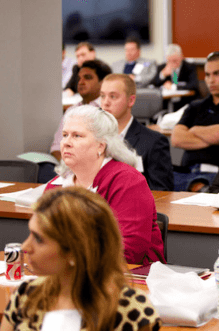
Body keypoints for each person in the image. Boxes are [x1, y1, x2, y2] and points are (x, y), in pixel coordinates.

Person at [0, 187, 161, 331]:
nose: (25, 247)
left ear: (75, 251)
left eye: (39, 239)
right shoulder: (27, 295)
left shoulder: (129, 310)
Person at [45, 105, 164, 264]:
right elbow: (41, 240)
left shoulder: (128, 181)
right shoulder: (55, 186)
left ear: (101, 146)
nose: (66, 142)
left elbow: (128, 252)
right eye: (65, 135)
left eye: (77, 136)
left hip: (130, 279)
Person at [171, 51, 219, 191]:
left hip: (218, 175)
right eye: (207, 75)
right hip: (184, 172)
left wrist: (194, 130)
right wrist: (215, 135)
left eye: (217, 74)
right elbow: (176, 139)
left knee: (203, 189)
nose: (211, 80)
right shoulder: (195, 106)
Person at [100, 74, 174, 191]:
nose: (105, 103)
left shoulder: (154, 142)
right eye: (102, 96)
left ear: (131, 100)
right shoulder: (95, 138)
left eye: (113, 97)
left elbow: (162, 193)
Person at [51, 59, 113, 161]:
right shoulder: (71, 110)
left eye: (87, 78)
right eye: (79, 78)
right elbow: (56, 147)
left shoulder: (108, 110)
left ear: (103, 83)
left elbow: (110, 151)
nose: (81, 82)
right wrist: (67, 167)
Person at [151, 43, 200, 109]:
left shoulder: (190, 67)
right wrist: (162, 75)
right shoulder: (162, 67)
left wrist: (173, 86)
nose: (172, 64)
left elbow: (194, 85)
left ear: (181, 57)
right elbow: (152, 84)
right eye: (169, 61)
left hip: (186, 103)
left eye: (175, 61)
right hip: (167, 104)